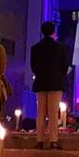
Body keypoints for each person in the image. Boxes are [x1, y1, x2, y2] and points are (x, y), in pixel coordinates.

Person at [30, 21, 68, 149]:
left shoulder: (35, 48)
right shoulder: (60, 47)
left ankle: (39, 140)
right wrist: (59, 75)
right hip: (56, 82)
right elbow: (64, 66)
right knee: (53, 112)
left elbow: (33, 66)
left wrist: (40, 74)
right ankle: (53, 140)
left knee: (40, 111)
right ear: (53, 32)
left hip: (41, 82)